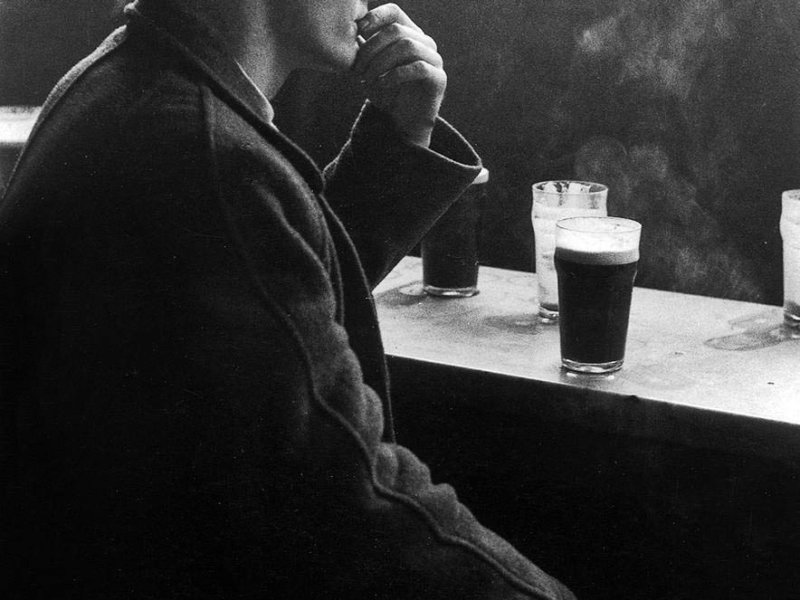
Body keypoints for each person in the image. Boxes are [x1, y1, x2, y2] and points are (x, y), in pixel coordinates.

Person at [0, 1, 576, 598]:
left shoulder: (130, 80)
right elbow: (348, 499)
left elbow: (274, 297)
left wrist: (401, 136)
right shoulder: (206, 158)